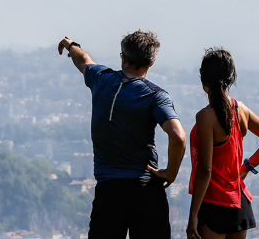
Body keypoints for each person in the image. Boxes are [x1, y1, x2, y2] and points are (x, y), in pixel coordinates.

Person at [57, 31, 187, 239]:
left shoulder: (101, 79)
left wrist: (71, 45)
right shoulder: (155, 95)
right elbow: (178, 137)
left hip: (109, 191)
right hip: (146, 190)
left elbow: (83, 60)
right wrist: (171, 172)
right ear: (151, 63)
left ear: (123, 57)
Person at [187, 48, 259, 239]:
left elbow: (205, 171)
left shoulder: (205, 117)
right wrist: (247, 167)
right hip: (239, 204)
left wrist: (193, 217)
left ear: (204, 83)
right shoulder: (241, 110)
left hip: (213, 203)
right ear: (230, 79)